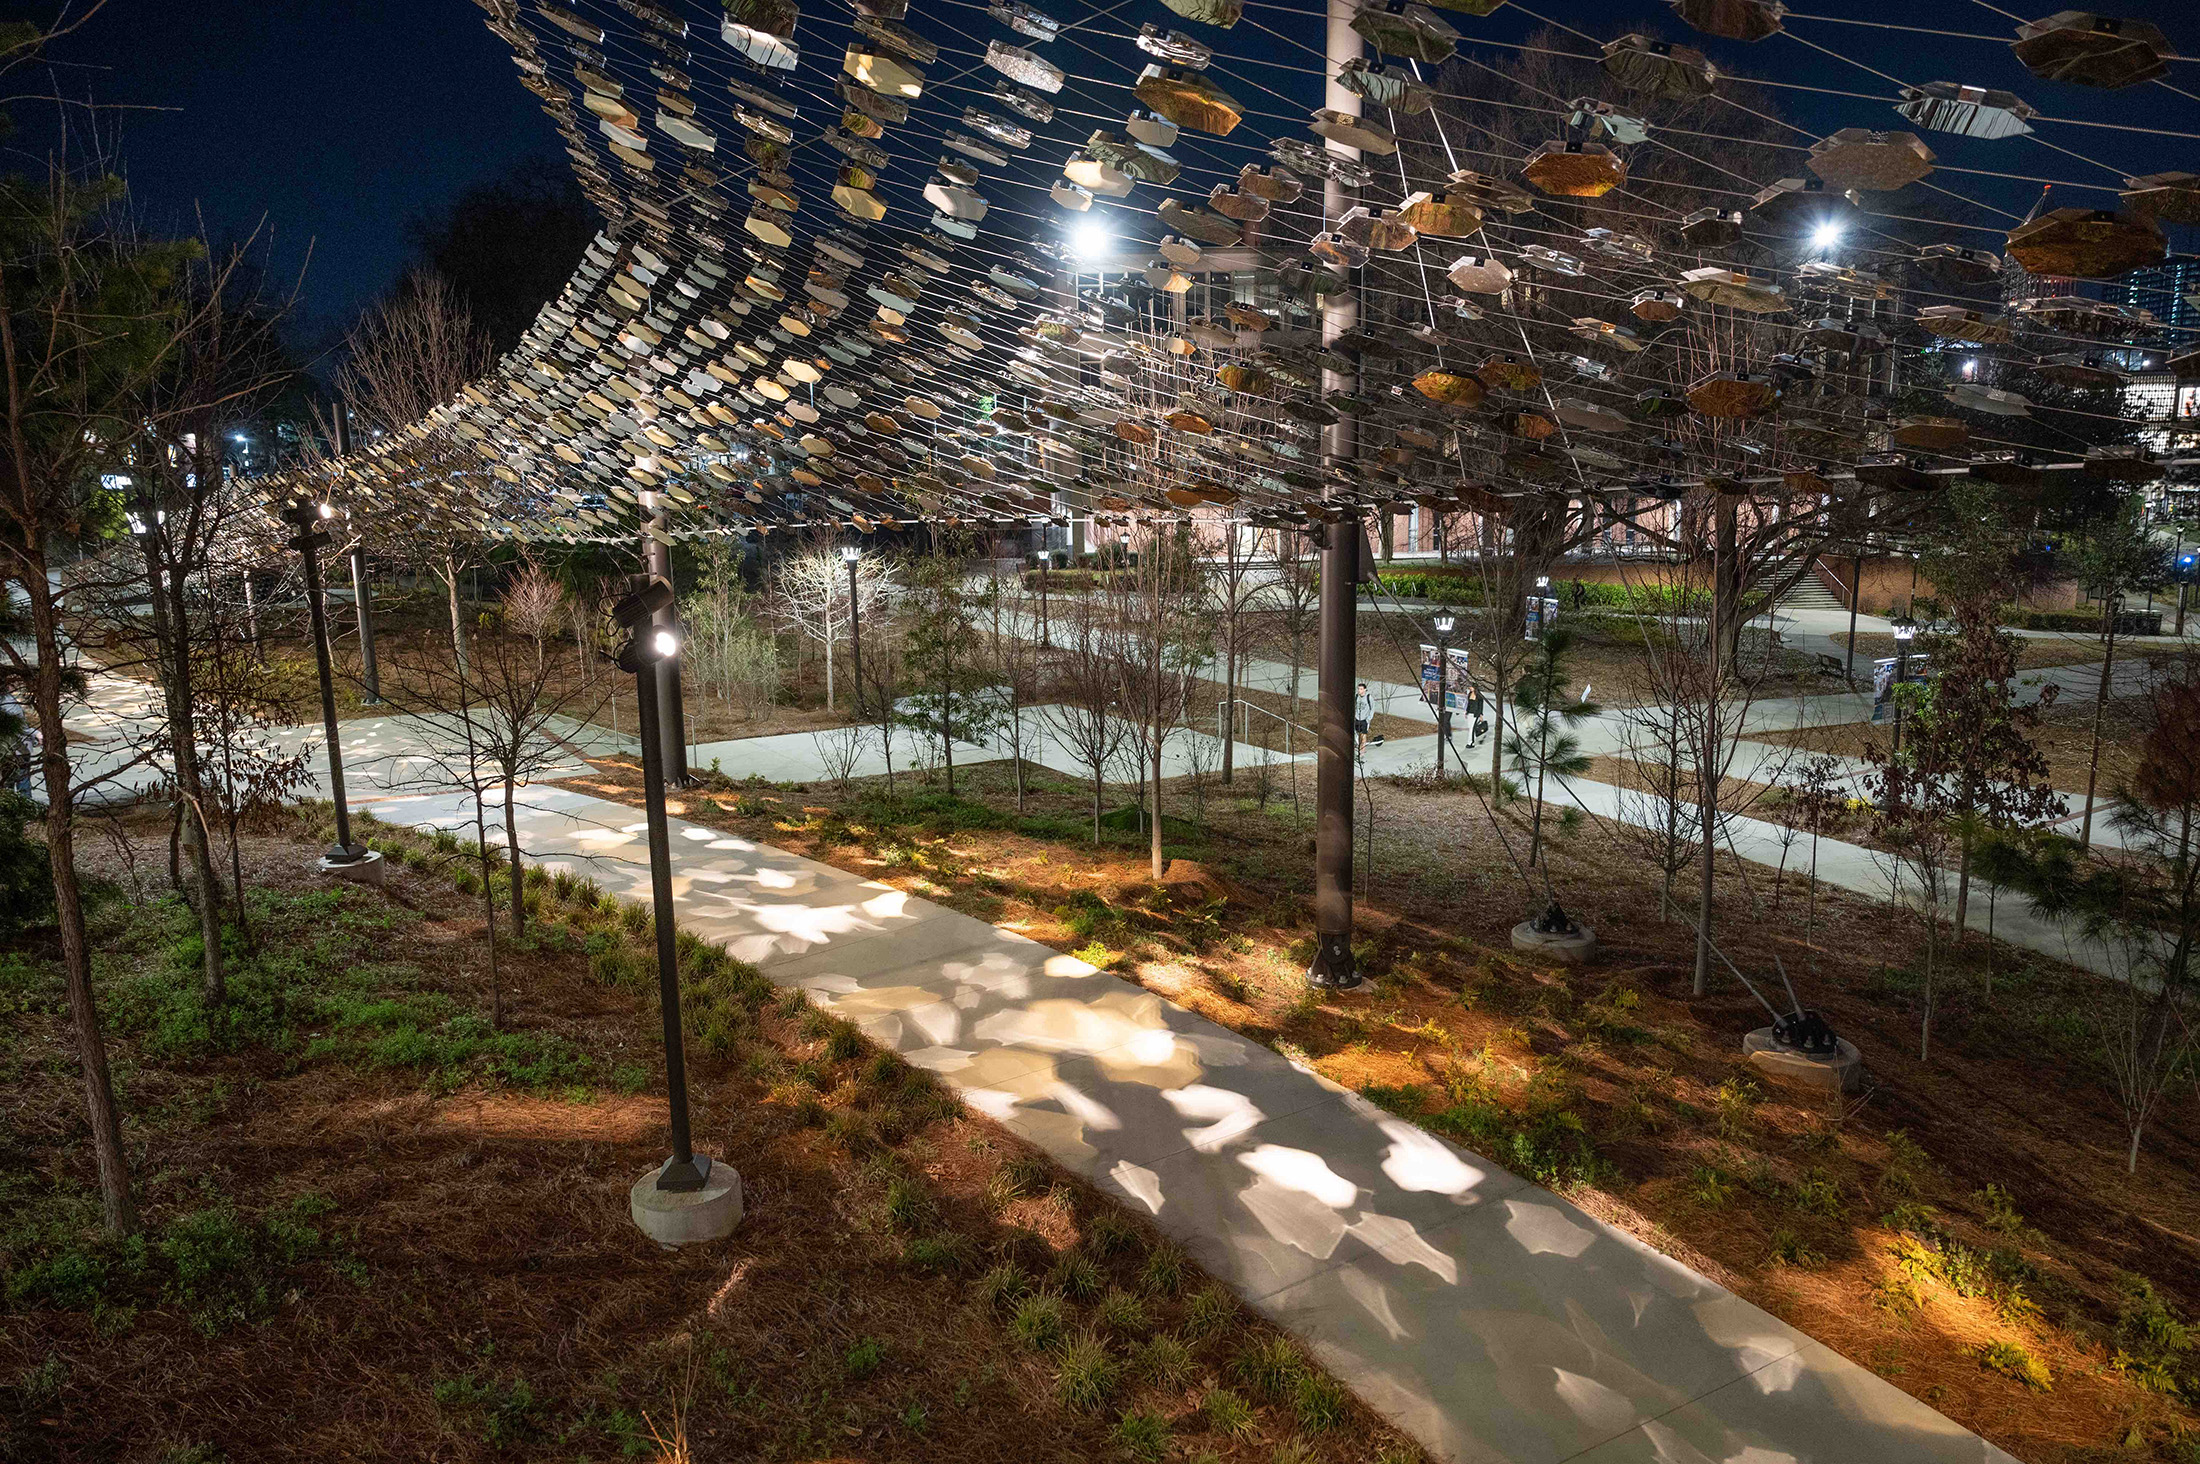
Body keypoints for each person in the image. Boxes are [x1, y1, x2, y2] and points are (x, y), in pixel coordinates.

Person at [1354, 682, 1381, 756]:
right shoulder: (1356, 697)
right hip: (1357, 719)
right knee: (1356, 735)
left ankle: (1362, 753)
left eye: (1361, 689)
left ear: (1365, 689)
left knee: (1363, 736)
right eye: (1358, 689)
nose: (1359, 690)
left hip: (1364, 720)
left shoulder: (1369, 697)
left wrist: (1368, 719)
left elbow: (1372, 708)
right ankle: (1358, 748)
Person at [1460, 683, 1485, 750]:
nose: (1470, 688)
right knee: (1470, 728)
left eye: (1471, 687)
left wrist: (1481, 715)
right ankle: (1472, 741)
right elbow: (1468, 704)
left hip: (1475, 713)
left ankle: (1470, 742)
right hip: (1469, 713)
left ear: (1474, 687)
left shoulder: (1479, 696)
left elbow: (1480, 706)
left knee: (1471, 728)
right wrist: (1466, 712)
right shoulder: (1469, 694)